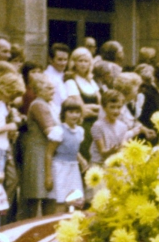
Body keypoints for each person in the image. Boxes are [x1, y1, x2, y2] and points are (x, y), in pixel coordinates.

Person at [20, 74, 61, 218]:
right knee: (36, 195)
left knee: (49, 196)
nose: (53, 90)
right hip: (38, 153)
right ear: (38, 89)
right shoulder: (38, 105)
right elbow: (51, 131)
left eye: (53, 87)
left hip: (48, 152)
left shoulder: (49, 104)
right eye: (48, 87)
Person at [45, 99, 86, 211]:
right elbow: (49, 153)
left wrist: (81, 160)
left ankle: (71, 225)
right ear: (64, 113)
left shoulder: (80, 131)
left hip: (73, 168)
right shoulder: (59, 130)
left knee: (75, 200)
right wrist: (48, 175)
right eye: (71, 112)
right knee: (62, 200)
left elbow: (73, 149)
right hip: (60, 168)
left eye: (77, 112)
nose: (74, 115)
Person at [65, 47, 101, 157]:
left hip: (96, 126)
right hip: (83, 126)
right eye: (80, 61)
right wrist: (95, 109)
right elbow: (81, 109)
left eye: (86, 61)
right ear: (74, 63)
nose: (83, 64)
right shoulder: (71, 82)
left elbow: (102, 104)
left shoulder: (91, 82)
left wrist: (93, 108)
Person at [90, 90, 143, 165]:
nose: (116, 111)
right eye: (112, 107)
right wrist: (112, 151)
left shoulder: (123, 126)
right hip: (100, 164)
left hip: (115, 163)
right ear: (104, 108)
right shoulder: (98, 126)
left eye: (119, 107)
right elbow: (102, 152)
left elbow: (122, 147)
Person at [43, 43, 73, 113]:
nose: (63, 63)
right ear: (50, 59)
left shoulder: (63, 75)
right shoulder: (48, 78)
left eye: (65, 60)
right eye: (59, 60)